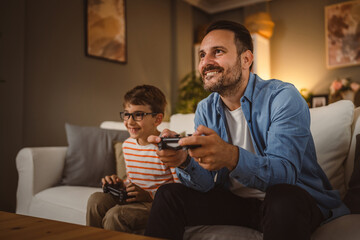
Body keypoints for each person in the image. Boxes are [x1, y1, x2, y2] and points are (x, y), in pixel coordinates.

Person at [144, 21, 350, 240]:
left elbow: (285, 175)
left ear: (246, 59)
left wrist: (231, 156)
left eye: (218, 52)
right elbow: (205, 183)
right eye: (202, 55)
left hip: (290, 202)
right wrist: (184, 161)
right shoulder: (205, 109)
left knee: (282, 197)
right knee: (168, 195)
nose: (206, 62)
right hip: (238, 204)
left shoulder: (282, 97)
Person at [86, 85, 179, 234]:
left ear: (157, 119)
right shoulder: (127, 145)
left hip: (157, 204)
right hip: (135, 200)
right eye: (127, 114)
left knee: (115, 216)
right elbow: (133, 180)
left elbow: (179, 192)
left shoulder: (167, 148)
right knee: (96, 200)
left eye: (138, 115)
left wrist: (149, 196)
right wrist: (120, 184)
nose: (130, 122)